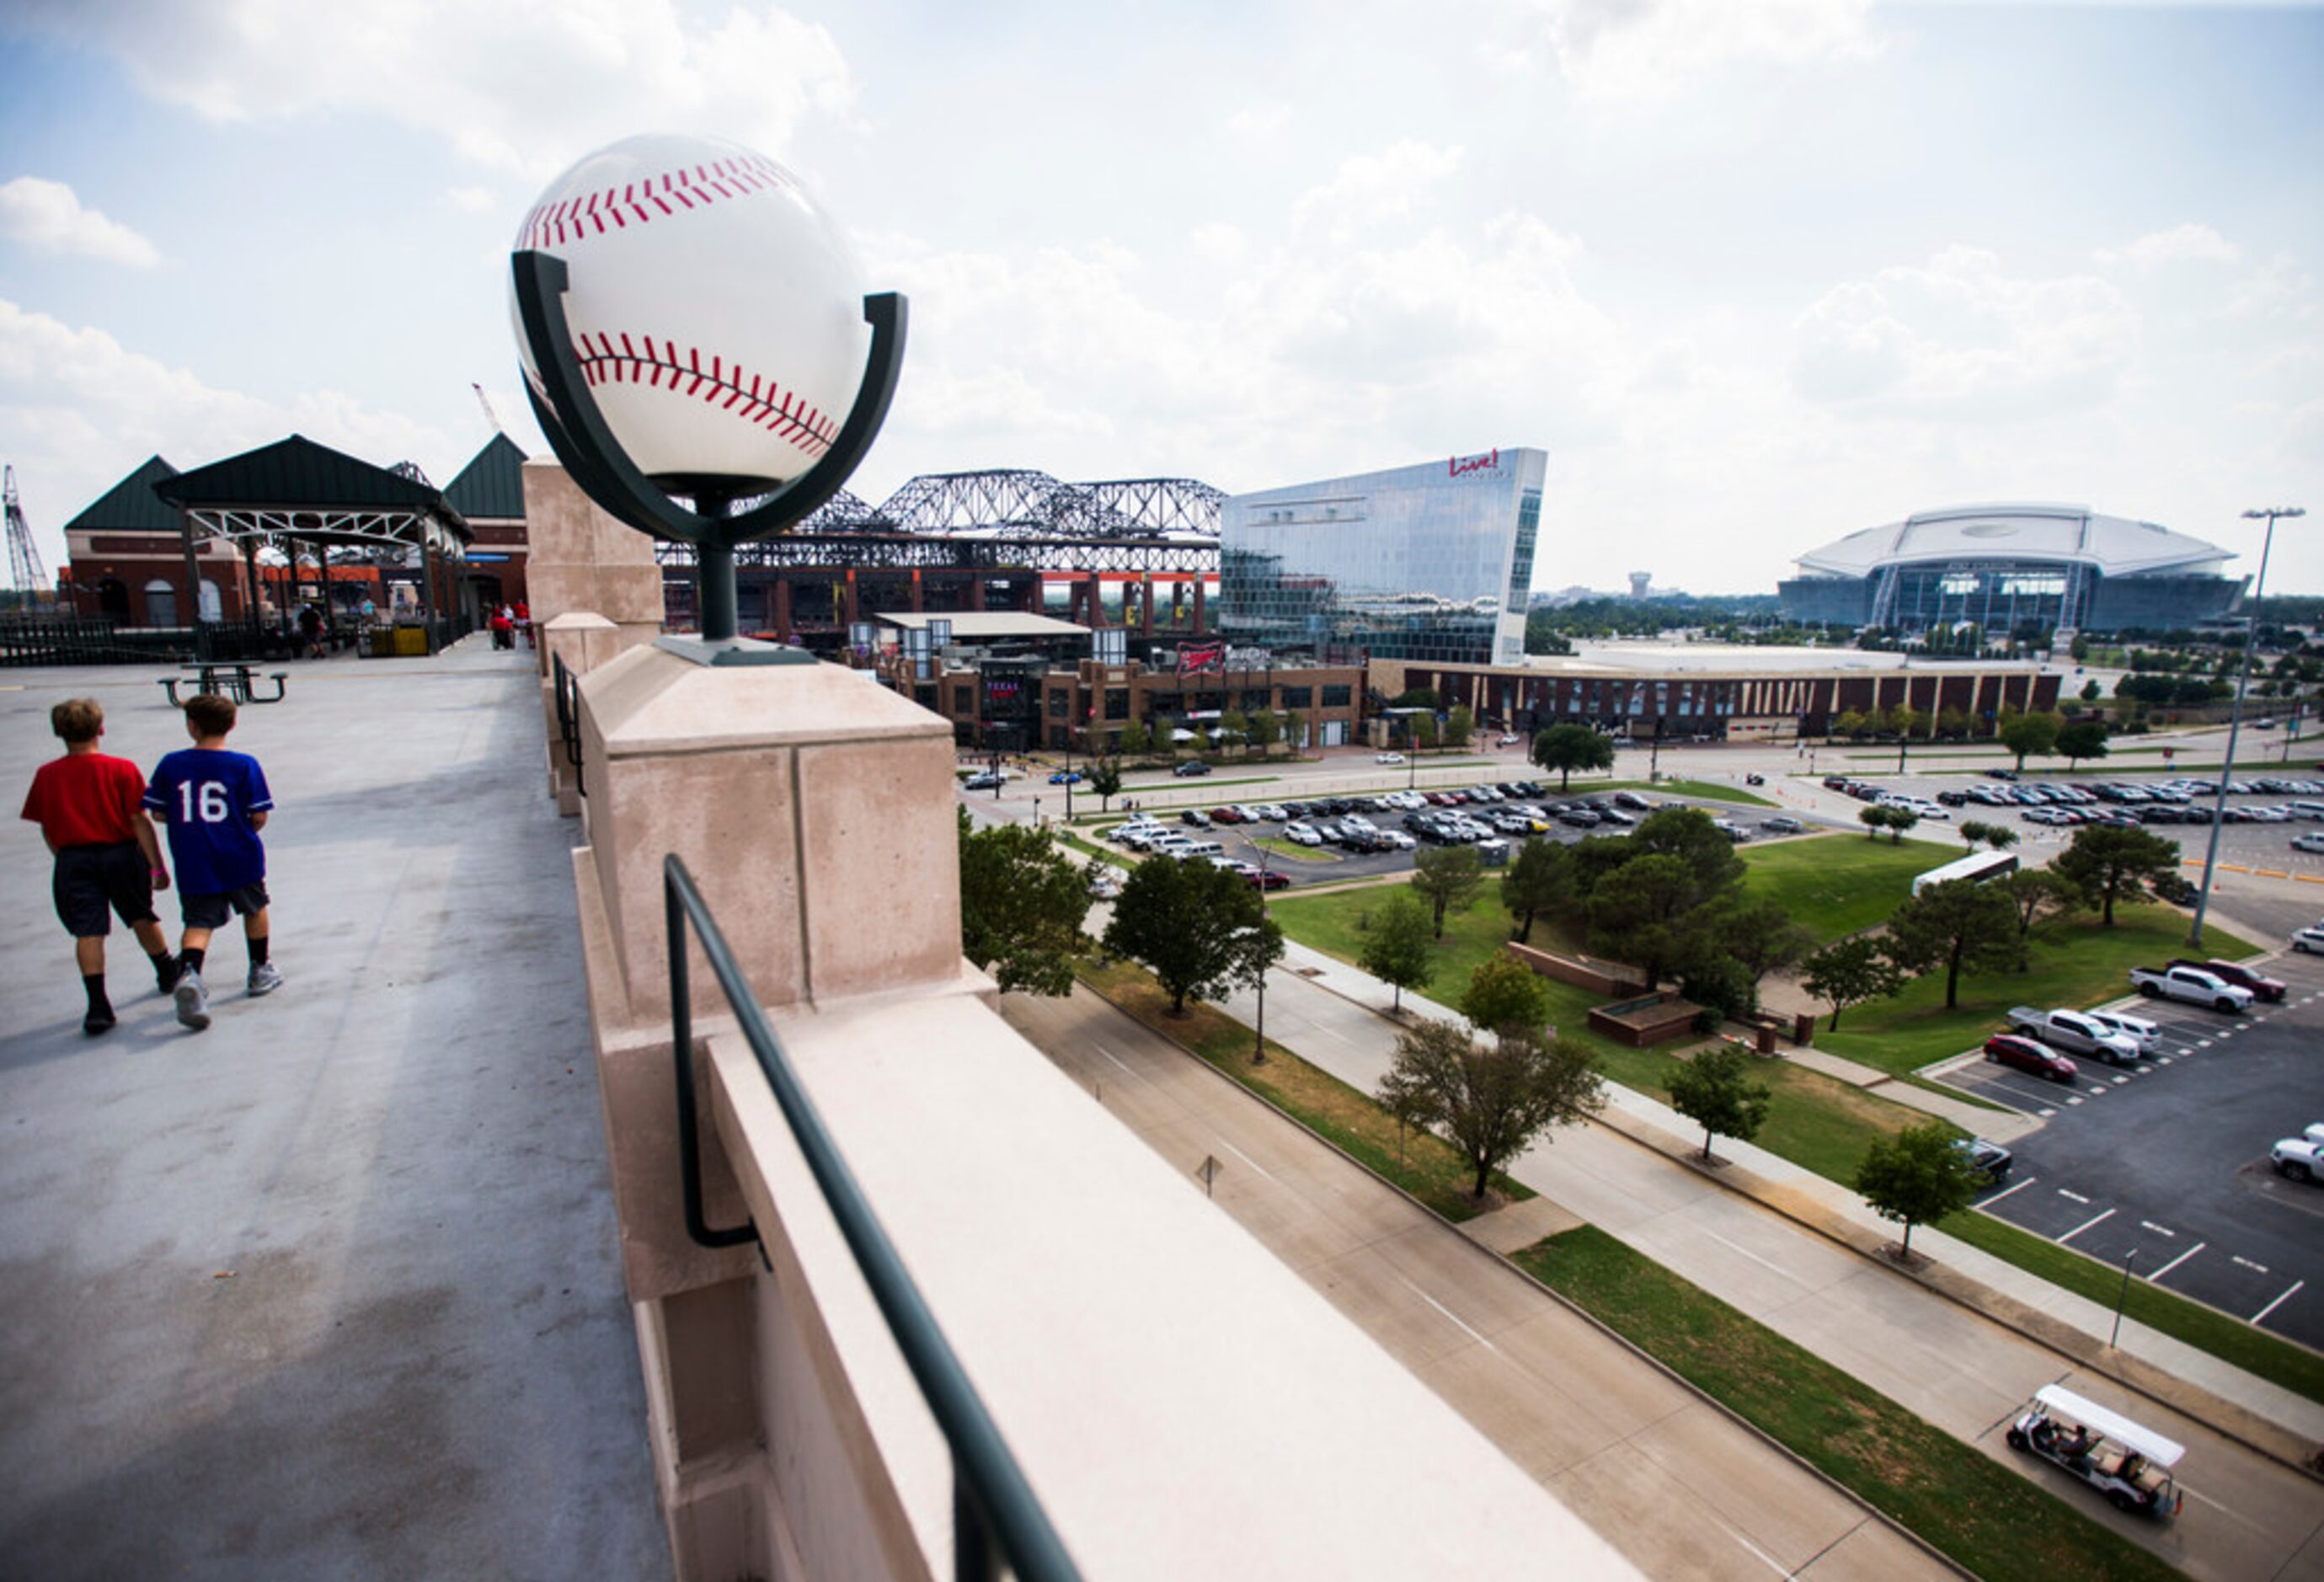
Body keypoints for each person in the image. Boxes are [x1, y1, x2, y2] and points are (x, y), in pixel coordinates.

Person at [19, 698, 181, 1034]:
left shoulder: (47, 775)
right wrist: (156, 867)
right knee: (140, 914)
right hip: (120, 853)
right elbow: (138, 820)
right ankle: (166, 969)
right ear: (101, 729)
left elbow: (47, 825)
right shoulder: (121, 769)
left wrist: (64, 858)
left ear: (59, 732)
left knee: (88, 930)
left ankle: (97, 1004)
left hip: (73, 858)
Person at [145, 693, 280, 1031]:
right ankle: (259, 969)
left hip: (194, 856)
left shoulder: (171, 764)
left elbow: (159, 811)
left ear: (192, 726)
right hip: (239, 852)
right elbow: (259, 815)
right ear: (232, 724)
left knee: (199, 922)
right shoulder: (243, 764)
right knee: (254, 907)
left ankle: (190, 974)